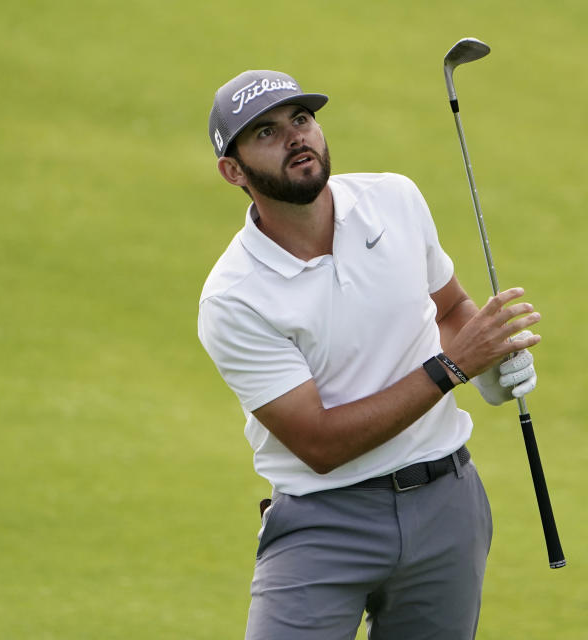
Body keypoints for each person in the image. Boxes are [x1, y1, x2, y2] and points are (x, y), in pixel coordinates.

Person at [197, 70, 541, 640]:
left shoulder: (395, 199)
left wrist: (492, 368)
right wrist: (455, 367)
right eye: (266, 132)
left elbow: (451, 305)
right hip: (323, 524)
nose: (295, 138)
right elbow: (320, 444)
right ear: (233, 171)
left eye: (301, 120)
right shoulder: (234, 296)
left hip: (446, 503)